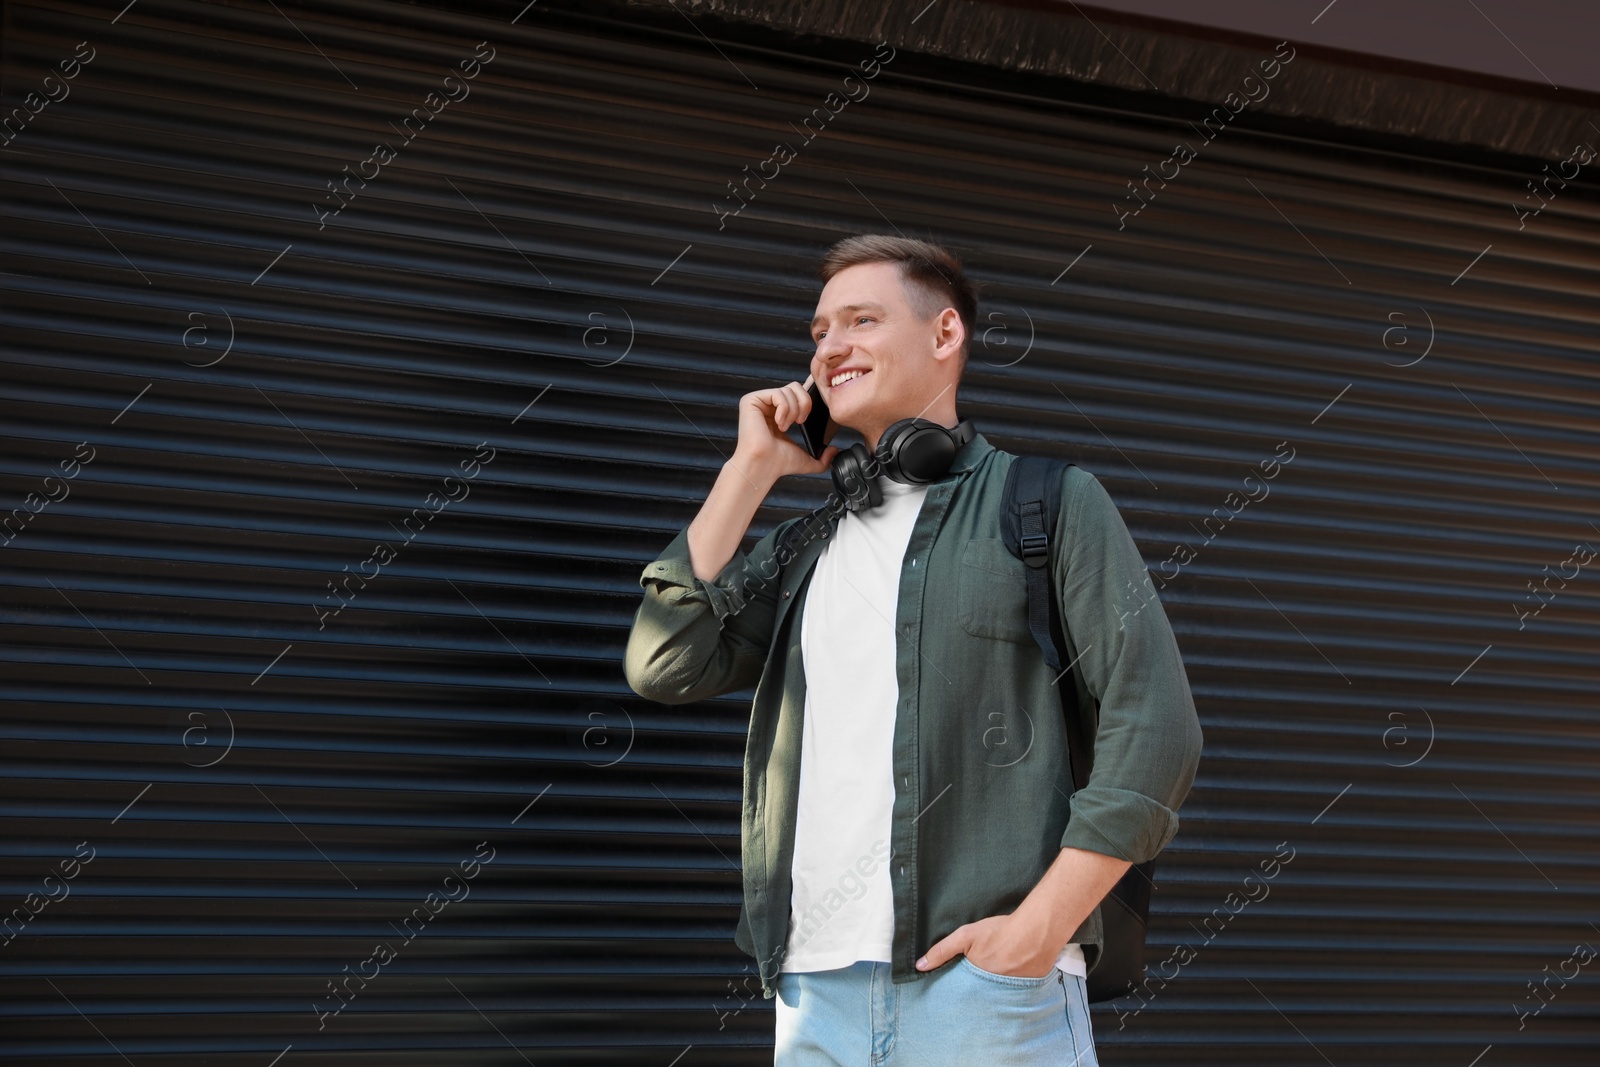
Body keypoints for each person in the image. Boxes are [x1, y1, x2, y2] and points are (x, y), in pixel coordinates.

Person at [624, 234, 1202, 1064]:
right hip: (814, 994)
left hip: (986, 994)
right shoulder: (805, 544)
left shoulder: (1048, 503)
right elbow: (664, 663)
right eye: (820, 329)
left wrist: (1037, 931)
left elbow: (1159, 728)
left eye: (862, 319)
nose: (830, 346)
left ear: (945, 336)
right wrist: (749, 471)